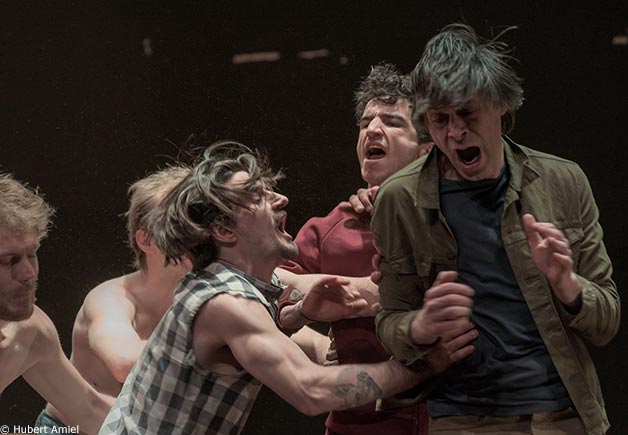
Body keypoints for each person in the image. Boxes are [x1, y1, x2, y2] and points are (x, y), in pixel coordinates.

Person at [99, 141, 475, 435]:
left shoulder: (242, 282)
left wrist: (300, 313)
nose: (281, 199)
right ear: (224, 230)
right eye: (258, 196)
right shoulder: (226, 302)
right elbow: (310, 391)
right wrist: (425, 365)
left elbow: (357, 291)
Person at [371, 23, 619, 435]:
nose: (455, 132)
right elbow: (389, 324)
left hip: (565, 415)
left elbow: (607, 321)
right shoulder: (399, 199)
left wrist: (567, 284)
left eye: (467, 113)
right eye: (440, 119)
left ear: (501, 104)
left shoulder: (563, 181)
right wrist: (421, 325)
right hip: (463, 419)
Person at [279, 63, 441, 435]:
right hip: (358, 427)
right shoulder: (330, 229)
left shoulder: (453, 220)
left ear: (425, 149)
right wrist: (315, 339)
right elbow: (260, 294)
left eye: (392, 122)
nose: (373, 129)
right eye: (366, 123)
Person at [37, 166, 193, 431]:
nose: (196, 233)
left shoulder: (201, 294)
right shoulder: (110, 298)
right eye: (179, 223)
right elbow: (123, 362)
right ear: (146, 240)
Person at [0, 173, 112, 434]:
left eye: (32, 254)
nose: (29, 273)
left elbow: (90, 411)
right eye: (7, 260)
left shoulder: (28, 332)